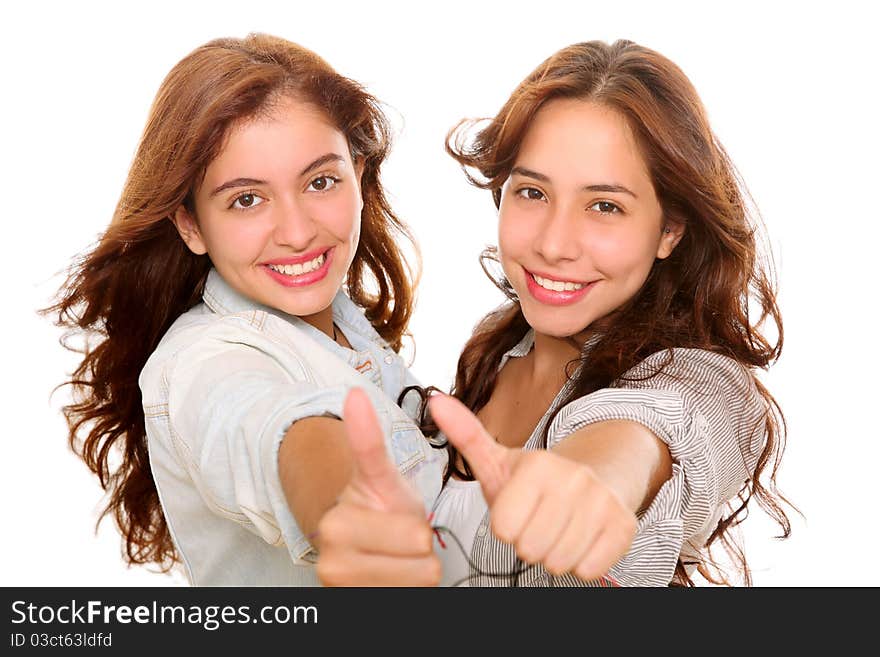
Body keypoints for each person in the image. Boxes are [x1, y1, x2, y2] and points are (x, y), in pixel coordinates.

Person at [316, 39, 793, 587]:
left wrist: (599, 477)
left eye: (605, 206)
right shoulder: (498, 347)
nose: (554, 243)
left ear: (670, 229)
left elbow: (659, 425)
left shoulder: (703, 378)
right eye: (533, 193)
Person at [47, 33, 446, 585]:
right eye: (246, 199)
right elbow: (263, 425)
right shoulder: (201, 361)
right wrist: (348, 511)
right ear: (190, 225)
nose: (299, 232)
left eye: (321, 181)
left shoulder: (344, 323)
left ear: (358, 176)